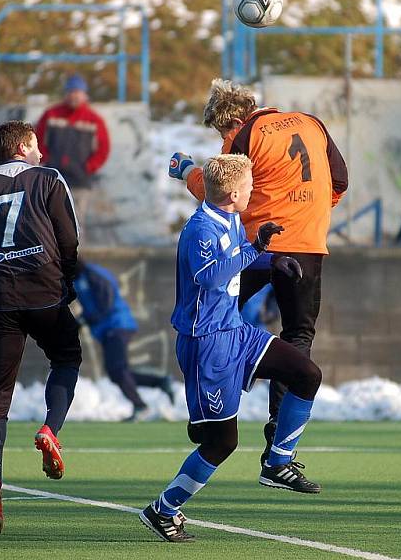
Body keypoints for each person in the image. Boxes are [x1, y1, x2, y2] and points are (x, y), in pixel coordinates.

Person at [139, 154, 323, 543]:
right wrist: (256, 247)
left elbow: (239, 264)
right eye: (251, 185)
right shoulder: (200, 228)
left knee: (306, 374)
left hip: (236, 333)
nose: (254, 190)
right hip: (207, 345)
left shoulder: (230, 218)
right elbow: (210, 276)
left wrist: (274, 261)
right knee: (222, 442)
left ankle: (277, 462)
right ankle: (164, 509)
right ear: (235, 192)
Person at [168, 78, 347, 467]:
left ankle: (205, 415)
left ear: (229, 121)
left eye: (220, 132)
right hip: (306, 242)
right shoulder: (311, 122)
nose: (222, 139)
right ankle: (278, 437)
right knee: (298, 334)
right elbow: (339, 181)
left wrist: (185, 172)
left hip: (254, 245)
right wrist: (309, 214)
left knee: (207, 314)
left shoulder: (245, 135)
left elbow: (220, 188)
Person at [0, 120, 82, 535]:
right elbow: (68, 238)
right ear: (24, 146)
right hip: (45, 291)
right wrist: (70, 279)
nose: (42, 153)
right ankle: (50, 429)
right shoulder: (48, 179)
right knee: (66, 356)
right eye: (37, 146)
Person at [73, 259, 174, 421]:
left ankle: (141, 406)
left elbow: (107, 300)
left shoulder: (92, 274)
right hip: (107, 329)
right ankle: (160, 382)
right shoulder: (78, 279)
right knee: (116, 372)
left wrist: (87, 318)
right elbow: (91, 305)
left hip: (117, 325)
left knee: (118, 369)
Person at [34, 74, 110, 189]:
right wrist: (46, 160)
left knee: (79, 207)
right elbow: (37, 140)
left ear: (85, 95)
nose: (74, 96)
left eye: (77, 92)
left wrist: (88, 167)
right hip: (53, 179)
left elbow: (103, 148)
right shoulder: (50, 115)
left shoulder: (94, 120)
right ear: (65, 94)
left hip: (81, 180)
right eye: (71, 92)